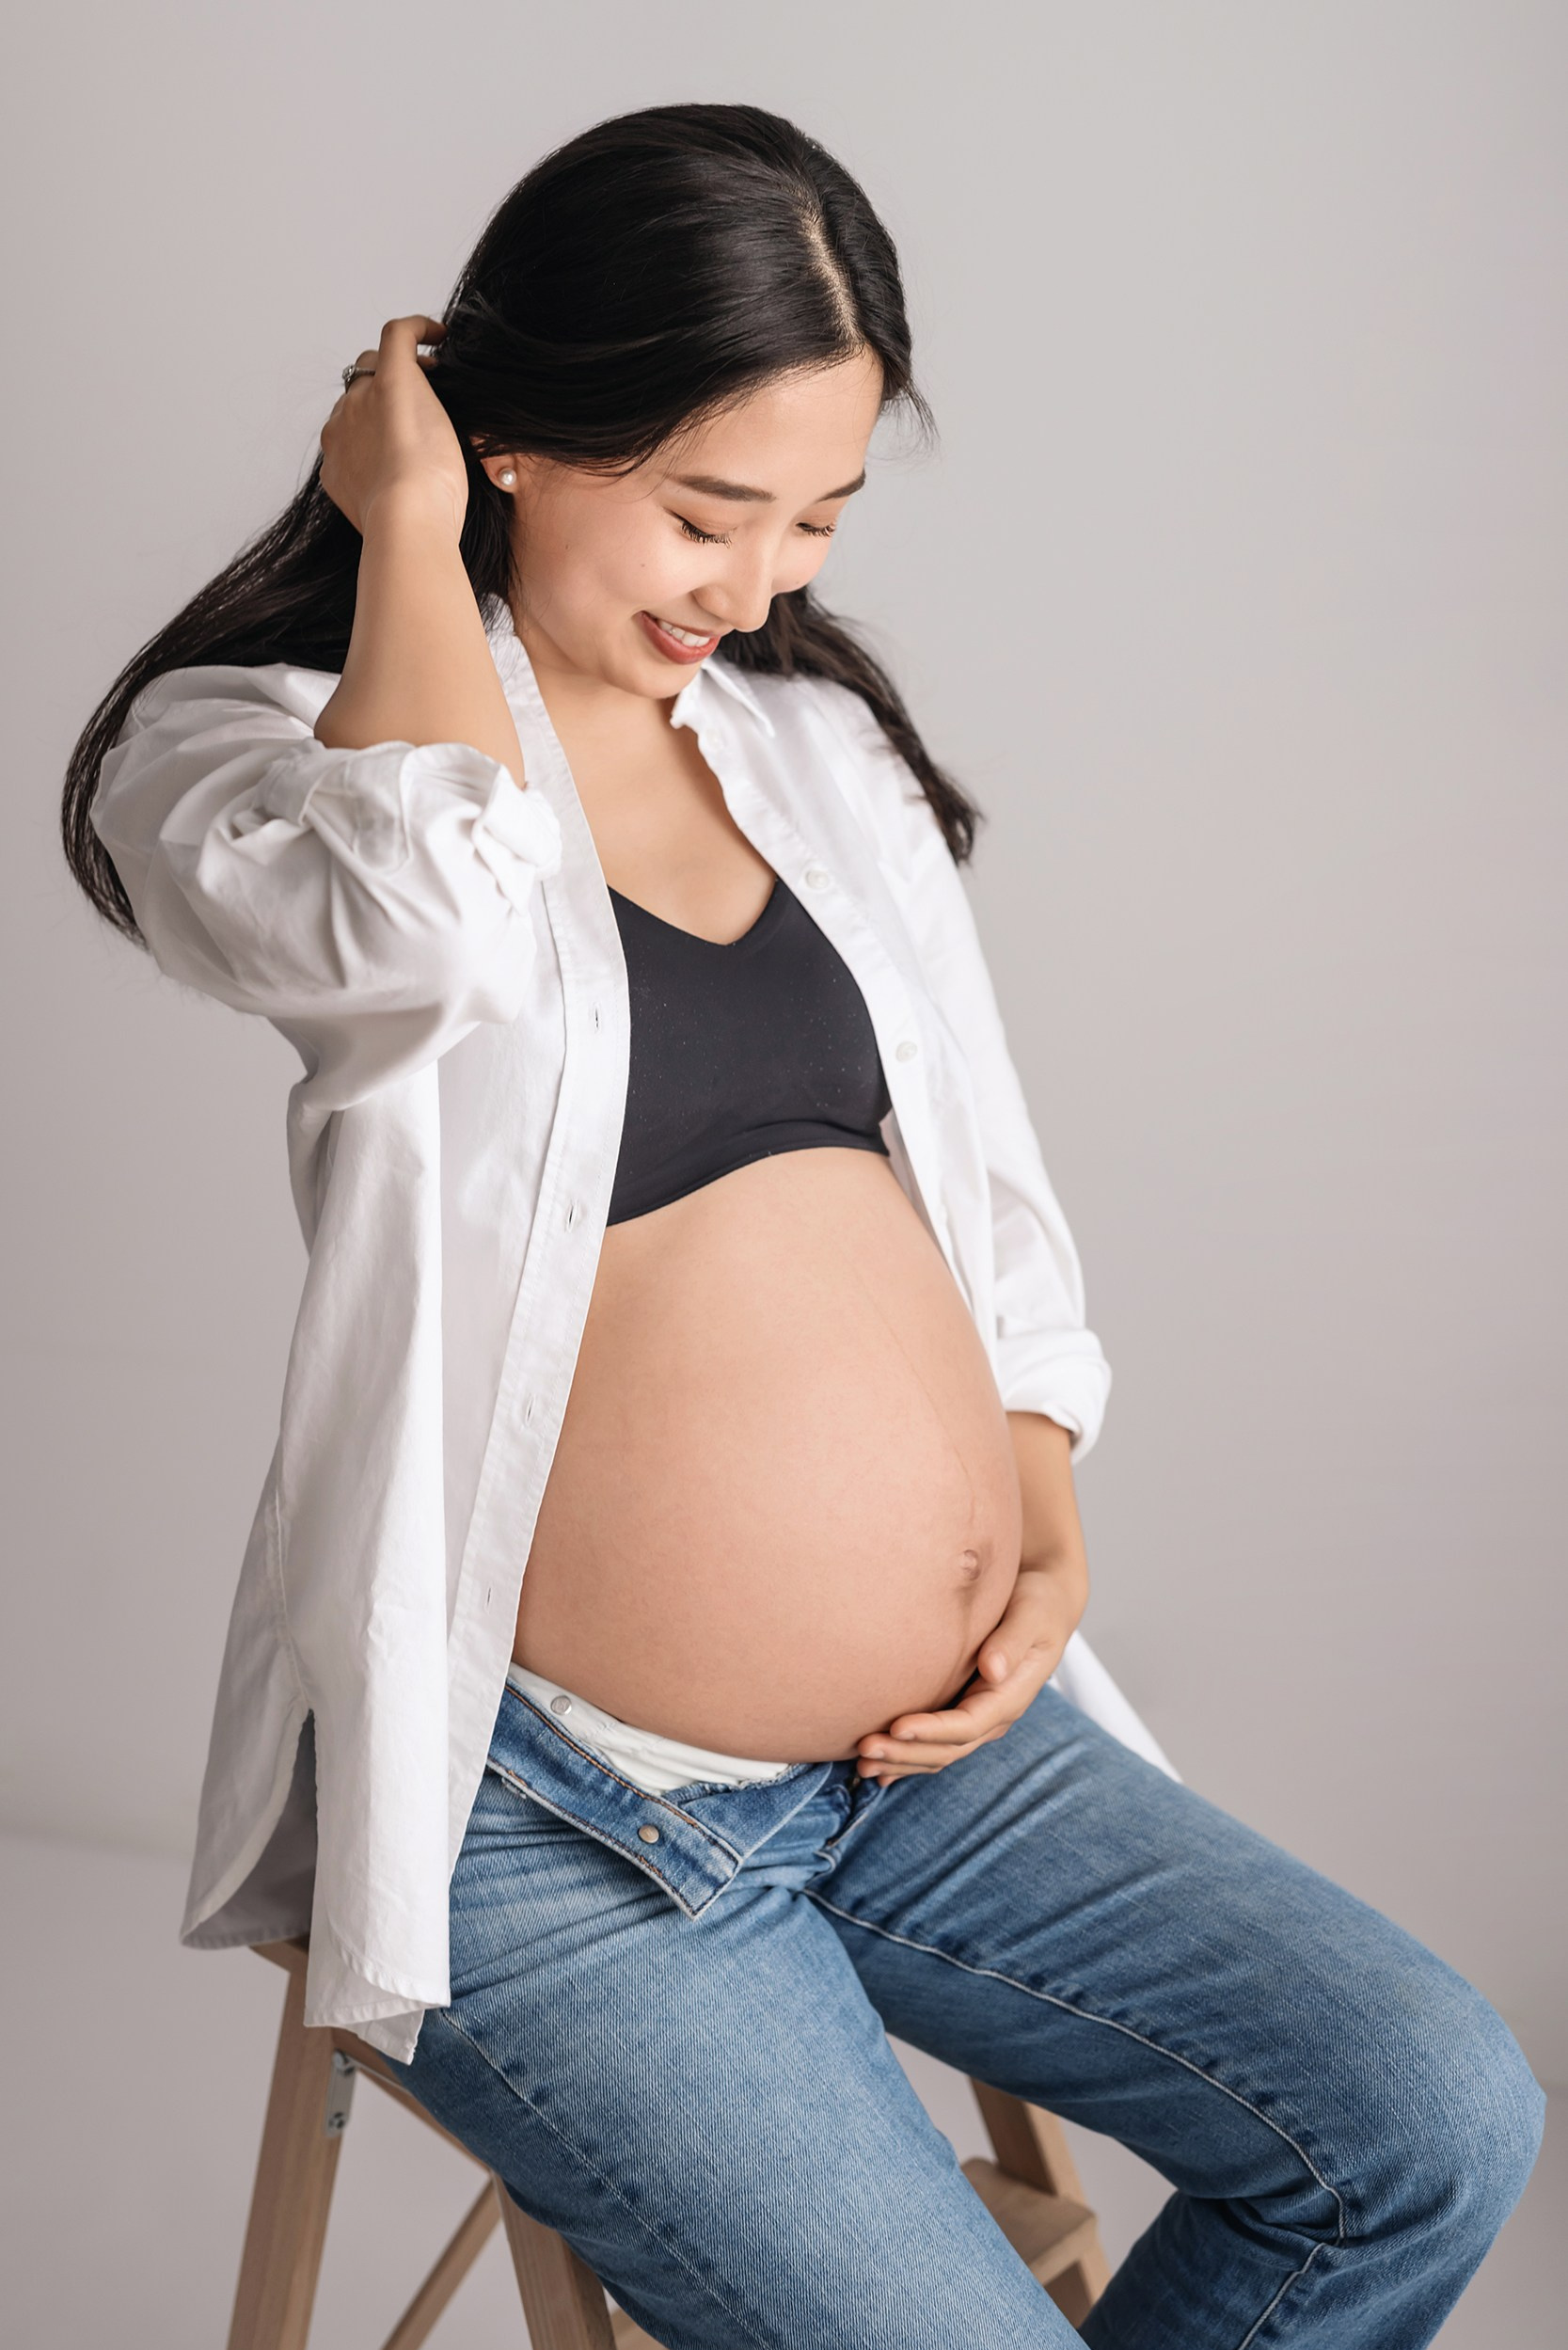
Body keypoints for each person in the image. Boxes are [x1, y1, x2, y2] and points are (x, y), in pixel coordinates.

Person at [64, 102, 1542, 2350]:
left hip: (925, 1771)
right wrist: (401, 530)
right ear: (511, 433)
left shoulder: (810, 757)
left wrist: (1035, 1510)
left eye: (817, 521)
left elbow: (988, 1196)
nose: (753, 585)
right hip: (548, 1830)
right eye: (705, 506)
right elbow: (415, 911)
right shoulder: (260, 750)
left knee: (1430, 2116)